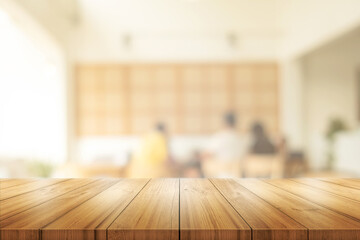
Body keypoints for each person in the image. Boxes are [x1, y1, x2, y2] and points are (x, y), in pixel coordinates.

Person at [202, 112, 245, 177]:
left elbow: (207, 154)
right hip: (237, 176)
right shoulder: (241, 138)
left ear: (224, 122)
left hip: (219, 176)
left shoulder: (219, 137)